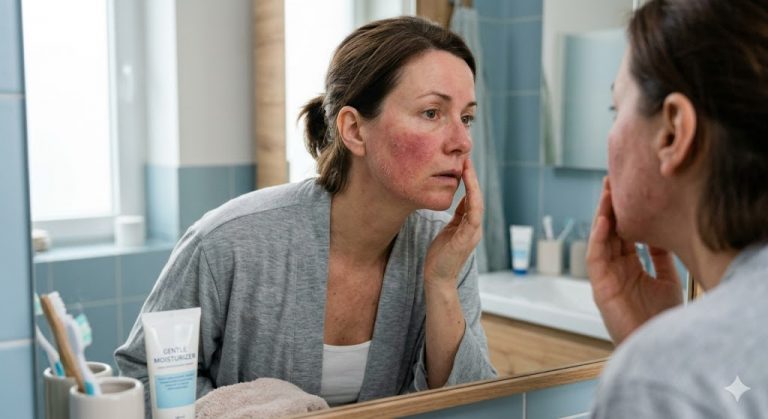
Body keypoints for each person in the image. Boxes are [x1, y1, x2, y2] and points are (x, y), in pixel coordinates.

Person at [115, 15, 496, 410]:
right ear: (354, 130)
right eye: (432, 113)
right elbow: (139, 378)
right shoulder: (228, 243)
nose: (462, 141)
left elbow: (475, 407)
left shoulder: (445, 249)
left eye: (467, 118)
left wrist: (440, 283)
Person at [587, 0, 768, 417]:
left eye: (617, 108)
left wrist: (658, 359)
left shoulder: (664, 379)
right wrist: (653, 339)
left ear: (673, 131)